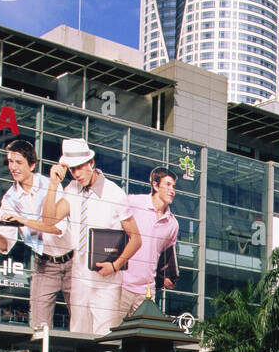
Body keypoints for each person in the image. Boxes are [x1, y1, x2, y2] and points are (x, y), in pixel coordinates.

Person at [42, 139, 141, 335]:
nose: (77, 174)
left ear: (91, 163)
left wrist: (115, 265)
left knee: (104, 339)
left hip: (107, 284)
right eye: (72, 169)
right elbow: (48, 221)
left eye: (80, 167)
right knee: (78, 336)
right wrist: (53, 184)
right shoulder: (71, 189)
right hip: (79, 279)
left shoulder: (115, 194)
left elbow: (136, 238)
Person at [0, 139, 75, 330]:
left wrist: (23, 221)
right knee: (38, 325)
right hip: (43, 264)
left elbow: (56, 227)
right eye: (10, 162)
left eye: (18, 162)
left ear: (32, 164)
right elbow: (5, 247)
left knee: (79, 320)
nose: (13, 167)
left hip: (72, 261)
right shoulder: (9, 199)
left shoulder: (51, 185)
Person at [118, 167, 181, 317]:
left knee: (142, 340)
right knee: (109, 336)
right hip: (121, 285)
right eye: (167, 184)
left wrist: (167, 276)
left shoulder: (173, 224)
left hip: (147, 292)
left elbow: (166, 255)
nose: (172, 190)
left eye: (174, 186)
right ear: (155, 185)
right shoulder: (133, 202)